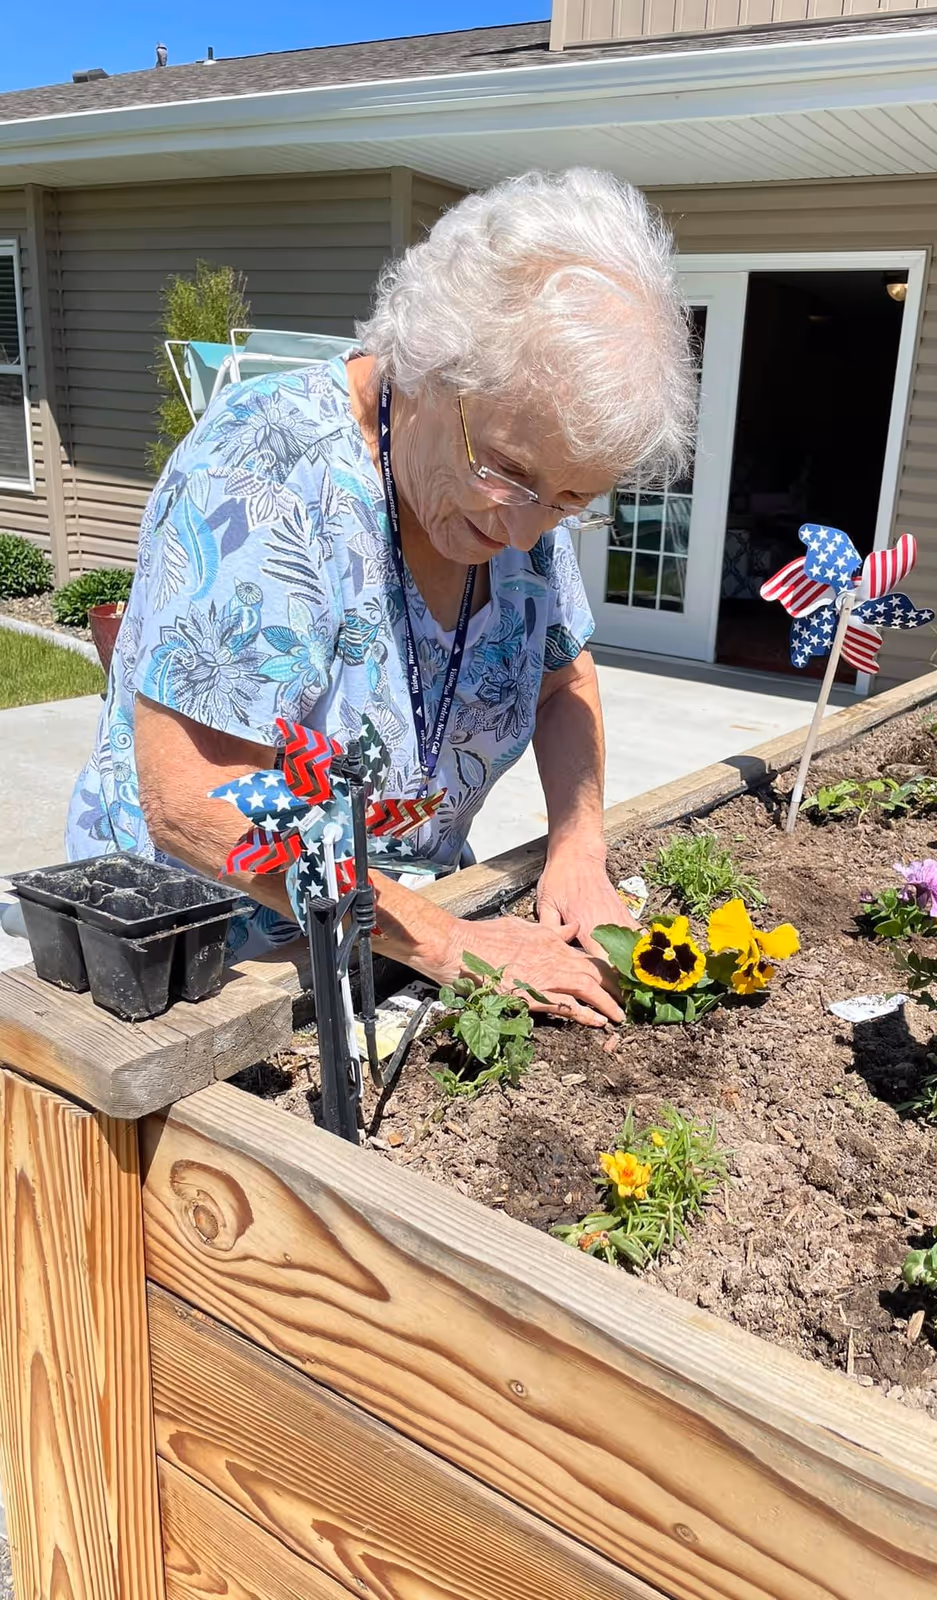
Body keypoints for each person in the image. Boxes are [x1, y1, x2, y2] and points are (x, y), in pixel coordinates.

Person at [66, 168, 697, 1027]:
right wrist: (451, 945)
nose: (528, 533)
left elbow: (562, 682)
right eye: (508, 474)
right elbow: (193, 799)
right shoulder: (265, 475)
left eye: (573, 501)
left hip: (399, 936)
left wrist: (578, 845)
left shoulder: (524, 505)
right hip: (209, 960)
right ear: (429, 364)